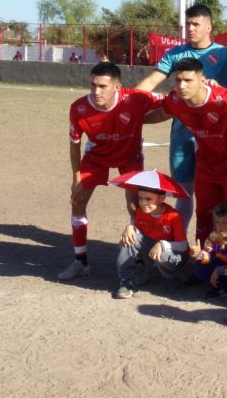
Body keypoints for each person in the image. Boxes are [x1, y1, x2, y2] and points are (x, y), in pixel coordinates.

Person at [136, 4, 227, 232]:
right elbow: (152, 81)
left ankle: (222, 244)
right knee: (183, 192)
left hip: (217, 137)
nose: (190, 29)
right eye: (188, 24)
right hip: (182, 133)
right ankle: (179, 241)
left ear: (209, 27)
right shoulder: (176, 53)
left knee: (215, 194)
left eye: (195, 24)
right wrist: (129, 104)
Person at [59, 62, 160, 280]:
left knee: (135, 207)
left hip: (129, 156)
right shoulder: (79, 108)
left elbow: (171, 105)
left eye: (103, 86)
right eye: (93, 85)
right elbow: (74, 145)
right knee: (77, 201)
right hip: (96, 157)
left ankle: (138, 262)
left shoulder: (134, 98)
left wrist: (141, 119)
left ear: (117, 87)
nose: (96, 91)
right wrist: (76, 178)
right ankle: (80, 262)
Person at [147, 58, 227, 243]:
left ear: (202, 80)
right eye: (178, 80)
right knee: (204, 213)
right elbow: (163, 113)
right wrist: (136, 121)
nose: (182, 86)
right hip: (205, 164)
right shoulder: (175, 99)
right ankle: (205, 255)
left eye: (188, 80)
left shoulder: (226, 99)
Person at [115, 186, 189, 299]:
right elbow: (137, 234)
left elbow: (183, 246)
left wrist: (163, 244)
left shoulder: (174, 216)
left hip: (172, 255)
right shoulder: (141, 211)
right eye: (140, 198)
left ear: (162, 198)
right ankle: (126, 280)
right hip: (151, 253)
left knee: (163, 255)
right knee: (129, 238)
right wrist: (129, 227)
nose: (143, 203)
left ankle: (171, 278)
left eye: (148, 199)